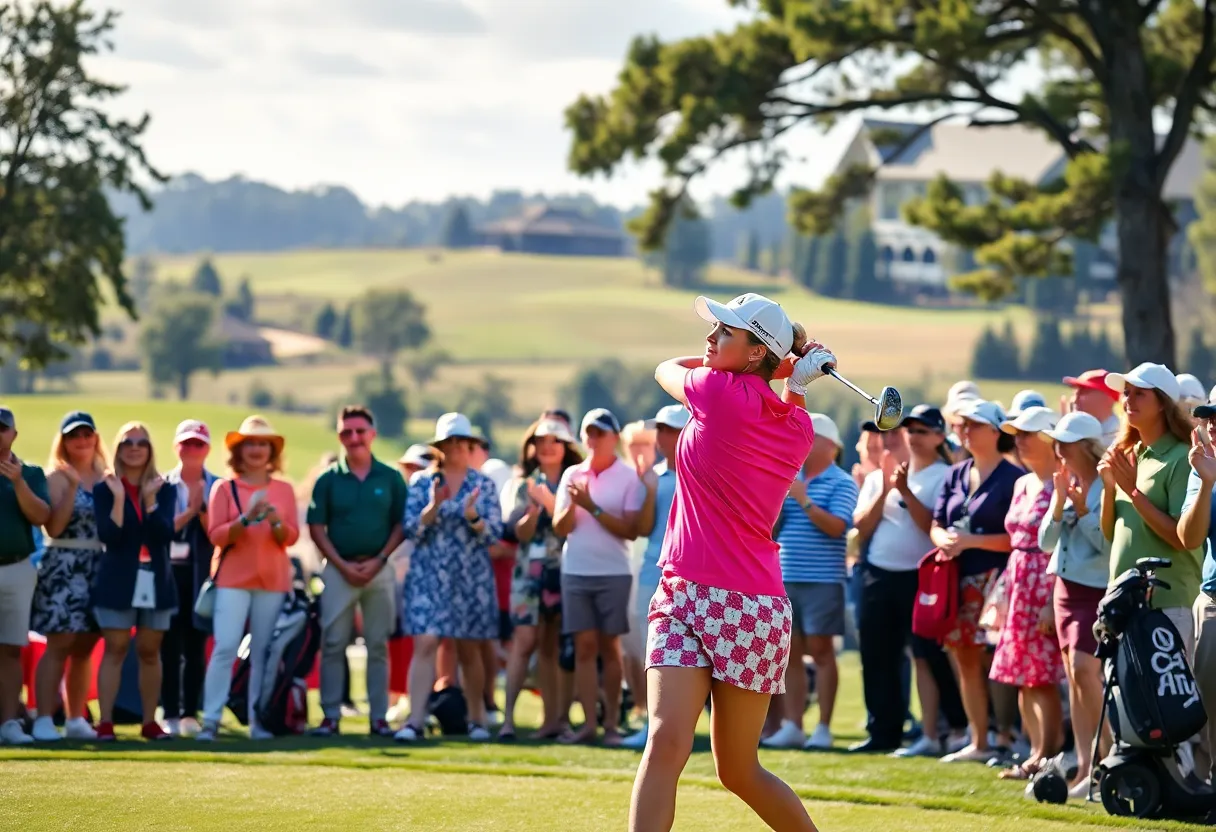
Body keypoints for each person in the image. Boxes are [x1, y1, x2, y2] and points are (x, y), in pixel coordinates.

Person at [630, 292, 834, 832]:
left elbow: (664, 368)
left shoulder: (717, 392)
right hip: (695, 595)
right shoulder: (799, 427)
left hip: (742, 605)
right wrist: (792, 377)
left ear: (752, 353)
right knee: (666, 740)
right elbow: (786, 410)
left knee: (736, 770)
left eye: (726, 331)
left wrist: (784, 369)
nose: (711, 337)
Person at [851, 405, 955, 756]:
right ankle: (883, 731)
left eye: (917, 431)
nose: (905, 437)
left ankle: (942, 729)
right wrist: (885, 489)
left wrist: (906, 491)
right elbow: (861, 528)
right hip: (878, 574)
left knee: (928, 657)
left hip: (922, 577)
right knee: (877, 655)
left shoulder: (943, 475)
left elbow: (932, 527)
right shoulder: (881, 476)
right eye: (904, 431)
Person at [396, 412, 503, 743]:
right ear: (439, 447)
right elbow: (411, 530)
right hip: (430, 574)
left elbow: (494, 534)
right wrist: (432, 507)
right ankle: (415, 720)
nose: (456, 448)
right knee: (426, 642)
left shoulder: (482, 484)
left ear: (470, 445)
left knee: (469, 648)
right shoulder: (422, 483)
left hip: (469, 577)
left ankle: (476, 719)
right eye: (449, 442)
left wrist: (473, 517)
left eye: (461, 442)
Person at [932, 400, 1023, 764]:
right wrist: (944, 540)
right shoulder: (955, 474)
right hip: (958, 577)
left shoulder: (1014, 478)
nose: (965, 431)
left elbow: (1019, 537)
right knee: (965, 659)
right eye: (961, 425)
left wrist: (971, 541)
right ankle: (979, 739)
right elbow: (937, 522)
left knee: (1002, 659)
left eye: (974, 425)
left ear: (996, 431)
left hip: (1000, 579)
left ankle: (1010, 736)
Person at [198, 416, 299, 741]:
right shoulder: (223, 488)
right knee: (225, 647)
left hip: (272, 581)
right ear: (239, 451)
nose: (256, 450)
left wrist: (273, 522)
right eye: (251, 444)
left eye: (263, 444)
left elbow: (291, 537)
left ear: (272, 451)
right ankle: (211, 720)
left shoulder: (283, 490)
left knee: (261, 655)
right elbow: (216, 535)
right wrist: (245, 519)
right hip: (231, 579)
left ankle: (257, 721)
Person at [308, 406, 408, 738]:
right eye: (347, 433)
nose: (354, 438)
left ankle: (378, 718)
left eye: (360, 431)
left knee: (378, 645)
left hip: (379, 568)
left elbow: (400, 524)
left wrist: (379, 559)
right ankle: (330, 716)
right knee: (334, 642)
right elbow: (317, 528)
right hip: (338, 569)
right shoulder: (328, 479)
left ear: (372, 434)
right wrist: (342, 565)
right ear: (339, 437)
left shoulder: (390, 477)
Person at [763, 413, 858, 751]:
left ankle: (823, 728)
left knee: (821, 651)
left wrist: (802, 498)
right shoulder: (792, 478)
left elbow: (837, 527)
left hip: (823, 579)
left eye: (809, 436)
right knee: (790, 655)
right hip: (786, 577)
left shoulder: (842, 482)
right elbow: (772, 530)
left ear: (829, 444)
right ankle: (793, 725)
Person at [553, 407, 644, 747]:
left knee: (610, 647)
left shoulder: (628, 477)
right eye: (588, 433)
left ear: (614, 438)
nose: (592, 439)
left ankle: (610, 725)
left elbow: (631, 531)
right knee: (584, 648)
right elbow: (561, 528)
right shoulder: (572, 475)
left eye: (599, 433)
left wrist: (592, 506)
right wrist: (572, 505)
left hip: (613, 573)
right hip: (575, 570)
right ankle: (589, 725)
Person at [1100, 364, 1202, 656]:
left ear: (1162, 404)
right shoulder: (1127, 456)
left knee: (1171, 701)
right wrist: (1110, 487)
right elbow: (1110, 533)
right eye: (1126, 393)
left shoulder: (1182, 458)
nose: (1128, 400)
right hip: (1122, 604)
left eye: (1139, 394)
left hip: (1169, 607)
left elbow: (1180, 538)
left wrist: (1133, 492)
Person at [1038, 410, 1111, 798]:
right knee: (1074, 677)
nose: (1058, 451)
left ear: (1084, 446)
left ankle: (1108, 756)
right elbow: (1045, 542)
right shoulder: (1064, 481)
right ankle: (1086, 765)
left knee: (1086, 670)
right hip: (1065, 590)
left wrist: (1081, 509)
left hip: (1095, 590)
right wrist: (1059, 503)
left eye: (1064, 444)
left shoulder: (1106, 485)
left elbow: (1106, 544)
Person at [991, 406, 1065, 780]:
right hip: (1019, 580)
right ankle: (1035, 751)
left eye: (1027, 434)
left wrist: (1052, 601)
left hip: (1045, 581)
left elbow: (1059, 545)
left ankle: (1047, 755)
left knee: (1041, 675)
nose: (1018, 441)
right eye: (1016, 434)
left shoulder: (1062, 484)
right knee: (1022, 673)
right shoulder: (1023, 482)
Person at [92, 421, 178, 742]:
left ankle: (149, 723)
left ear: (150, 449)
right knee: (114, 648)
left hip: (156, 580)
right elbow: (110, 537)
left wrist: (150, 500)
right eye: (128, 442)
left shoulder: (165, 487)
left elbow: (163, 534)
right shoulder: (105, 489)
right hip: (117, 580)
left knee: (149, 651)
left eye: (142, 442)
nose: (135, 447)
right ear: (118, 448)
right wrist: (118, 499)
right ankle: (105, 723)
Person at [499, 417, 583, 741]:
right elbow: (518, 534)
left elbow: (577, 527)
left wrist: (552, 505)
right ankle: (508, 720)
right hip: (529, 573)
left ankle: (554, 721)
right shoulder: (522, 484)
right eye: (541, 440)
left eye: (555, 440)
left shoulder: (574, 481)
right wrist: (531, 516)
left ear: (565, 446)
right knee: (523, 644)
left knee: (553, 647)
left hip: (565, 569)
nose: (547, 446)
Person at [30, 412, 107, 742]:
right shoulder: (56, 478)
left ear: (95, 438)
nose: (82, 440)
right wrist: (73, 486)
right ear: (64, 440)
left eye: (87, 433)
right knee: (58, 643)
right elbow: (54, 527)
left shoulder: (107, 477)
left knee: (85, 647)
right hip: (63, 562)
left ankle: (77, 718)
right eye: (75, 435)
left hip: (97, 565)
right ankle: (45, 718)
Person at [621, 404, 690, 750]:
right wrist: (648, 489)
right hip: (653, 569)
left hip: (689, 573)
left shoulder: (700, 472)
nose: (660, 437)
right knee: (650, 648)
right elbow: (643, 528)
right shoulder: (653, 476)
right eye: (660, 430)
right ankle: (654, 723)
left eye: (668, 430)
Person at [160, 420, 219, 738]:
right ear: (176, 447)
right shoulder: (161, 484)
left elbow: (220, 535)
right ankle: (168, 711)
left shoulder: (219, 486)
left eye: (198, 444)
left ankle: (189, 712)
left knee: (196, 645)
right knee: (167, 645)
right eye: (186, 443)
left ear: (207, 449)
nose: (192, 450)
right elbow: (161, 529)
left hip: (202, 574)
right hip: (169, 573)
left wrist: (203, 509)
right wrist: (191, 510)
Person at [0, 406, 51, 746]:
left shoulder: (30, 473)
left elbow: (41, 516)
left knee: (11, 649)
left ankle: (8, 723)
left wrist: (17, 482)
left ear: (13, 435)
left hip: (17, 567)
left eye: (2, 429)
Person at [1180, 401, 1216, 783]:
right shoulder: (1203, 465)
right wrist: (1206, 481)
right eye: (1209, 418)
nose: (1212, 425)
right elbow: (1189, 537)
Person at [1062, 370, 1121, 447]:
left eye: (1084, 392)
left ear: (1108, 397)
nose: (1074, 400)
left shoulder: (1121, 441)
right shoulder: (1070, 433)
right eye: (1075, 393)